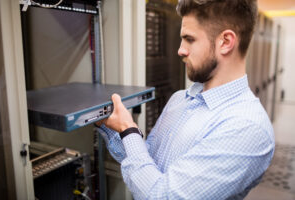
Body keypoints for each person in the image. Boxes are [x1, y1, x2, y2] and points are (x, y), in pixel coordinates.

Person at [96, 0, 275, 199]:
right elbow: (145, 163)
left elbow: (161, 196)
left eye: (189, 39)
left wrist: (128, 130)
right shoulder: (180, 99)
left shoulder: (246, 127)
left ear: (226, 42)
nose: (180, 50)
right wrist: (109, 124)